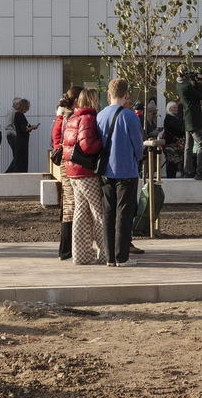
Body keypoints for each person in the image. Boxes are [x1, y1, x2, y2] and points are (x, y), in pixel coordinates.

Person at [98, 77, 144, 267]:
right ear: (126, 95)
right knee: (124, 215)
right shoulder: (131, 116)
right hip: (126, 170)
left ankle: (109, 257)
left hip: (105, 171)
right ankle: (122, 257)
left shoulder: (100, 116)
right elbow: (138, 147)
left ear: (109, 95)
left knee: (108, 214)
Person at [65, 88, 107, 265]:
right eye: (97, 99)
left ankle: (81, 255)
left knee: (81, 213)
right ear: (93, 101)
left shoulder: (72, 118)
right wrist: (105, 141)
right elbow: (87, 146)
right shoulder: (89, 118)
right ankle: (105, 254)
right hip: (87, 173)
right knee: (99, 213)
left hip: (73, 172)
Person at [51, 89, 79, 260]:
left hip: (63, 163)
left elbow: (55, 140)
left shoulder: (61, 117)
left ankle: (65, 250)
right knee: (72, 206)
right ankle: (68, 249)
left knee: (68, 206)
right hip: (69, 163)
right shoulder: (71, 118)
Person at [177, 67, 202, 179]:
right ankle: (200, 172)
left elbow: (193, 95)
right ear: (185, 74)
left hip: (187, 119)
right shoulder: (187, 86)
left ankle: (187, 171)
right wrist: (198, 82)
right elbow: (200, 96)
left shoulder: (179, 85)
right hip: (194, 120)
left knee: (188, 146)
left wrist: (193, 80)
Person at [8, 99, 38, 173]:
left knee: (20, 158)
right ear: (24, 107)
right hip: (21, 140)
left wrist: (31, 127)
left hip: (21, 139)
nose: (27, 110)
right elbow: (24, 129)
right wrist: (32, 128)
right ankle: (20, 173)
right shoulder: (19, 115)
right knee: (21, 158)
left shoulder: (18, 114)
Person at [162, 102, 186, 179]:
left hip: (173, 143)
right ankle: (170, 179)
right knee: (173, 162)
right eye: (174, 108)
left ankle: (171, 178)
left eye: (177, 107)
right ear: (170, 109)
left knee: (174, 163)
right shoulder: (170, 118)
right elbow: (180, 128)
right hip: (172, 144)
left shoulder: (173, 118)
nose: (176, 109)